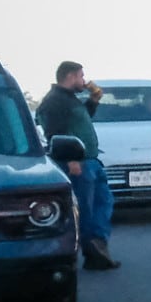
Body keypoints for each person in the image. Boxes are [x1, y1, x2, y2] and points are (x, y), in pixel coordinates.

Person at [35, 61, 116, 270]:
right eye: (81, 76)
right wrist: (71, 158)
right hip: (78, 163)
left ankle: (98, 245)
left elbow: (80, 121)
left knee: (104, 201)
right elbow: (54, 132)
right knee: (86, 209)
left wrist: (93, 101)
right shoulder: (55, 101)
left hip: (91, 161)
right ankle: (92, 252)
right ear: (70, 76)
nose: (84, 80)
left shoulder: (70, 99)